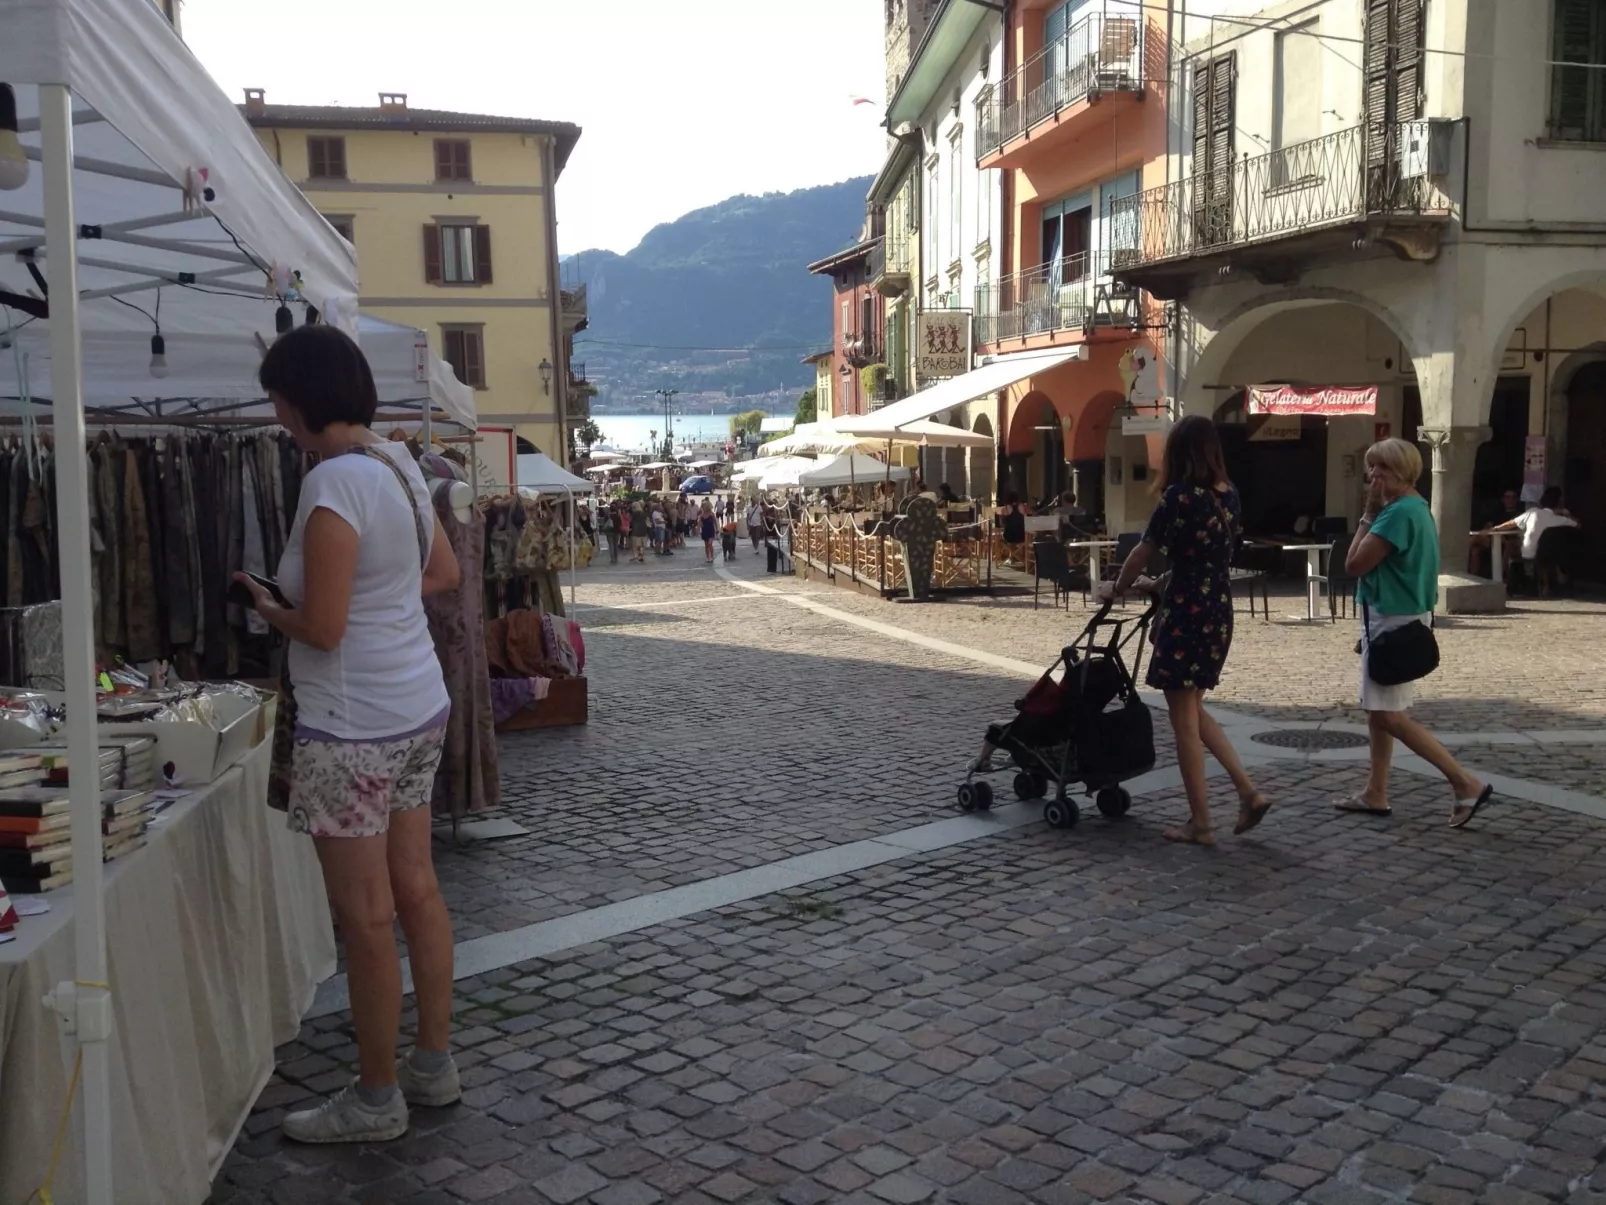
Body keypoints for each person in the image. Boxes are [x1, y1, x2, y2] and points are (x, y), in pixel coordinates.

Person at [236, 325, 461, 1143]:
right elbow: (444, 575)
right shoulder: (400, 464)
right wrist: (381, 597)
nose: (276, 415)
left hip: (351, 722)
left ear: (296, 399)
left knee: (365, 915)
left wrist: (269, 609)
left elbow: (323, 627)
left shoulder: (331, 485)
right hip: (416, 704)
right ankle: (432, 1063)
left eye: (277, 399)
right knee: (417, 888)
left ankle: (374, 1097)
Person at [1102, 415, 1268, 846]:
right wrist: (1158, 584)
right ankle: (1248, 792)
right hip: (1218, 608)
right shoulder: (1230, 496)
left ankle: (1202, 822)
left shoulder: (1178, 497)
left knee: (1183, 722)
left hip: (1186, 611)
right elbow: (1206, 557)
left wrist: (1117, 588)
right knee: (1194, 708)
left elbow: (1143, 550)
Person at [1338, 437, 1492, 827]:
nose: (1373, 476)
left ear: (1402, 472)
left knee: (1387, 715)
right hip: (1401, 618)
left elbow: (1354, 564)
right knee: (1381, 713)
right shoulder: (1417, 508)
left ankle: (1465, 783)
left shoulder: (1396, 514)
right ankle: (1376, 791)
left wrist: (1367, 514)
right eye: (1372, 467)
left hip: (1393, 621)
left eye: (1381, 469)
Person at [1486, 485, 1579, 594]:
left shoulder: (1533, 512)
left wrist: (1495, 528)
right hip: (1550, 555)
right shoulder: (1561, 519)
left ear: (1541, 502)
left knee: (1513, 547)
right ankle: (1546, 585)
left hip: (1528, 553)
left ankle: (1503, 580)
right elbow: (1578, 524)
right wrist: (1566, 513)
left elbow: (1511, 523)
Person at [1468, 488, 1523, 576]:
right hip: (1493, 539)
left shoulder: (1520, 515)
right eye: (1508, 497)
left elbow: (1516, 531)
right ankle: (1471, 577)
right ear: (1503, 499)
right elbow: (1489, 525)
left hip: (1510, 542)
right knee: (1475, 549)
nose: (1511, 500)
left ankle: (1501, 577)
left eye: (1513, 497)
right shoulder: (1497, 512)